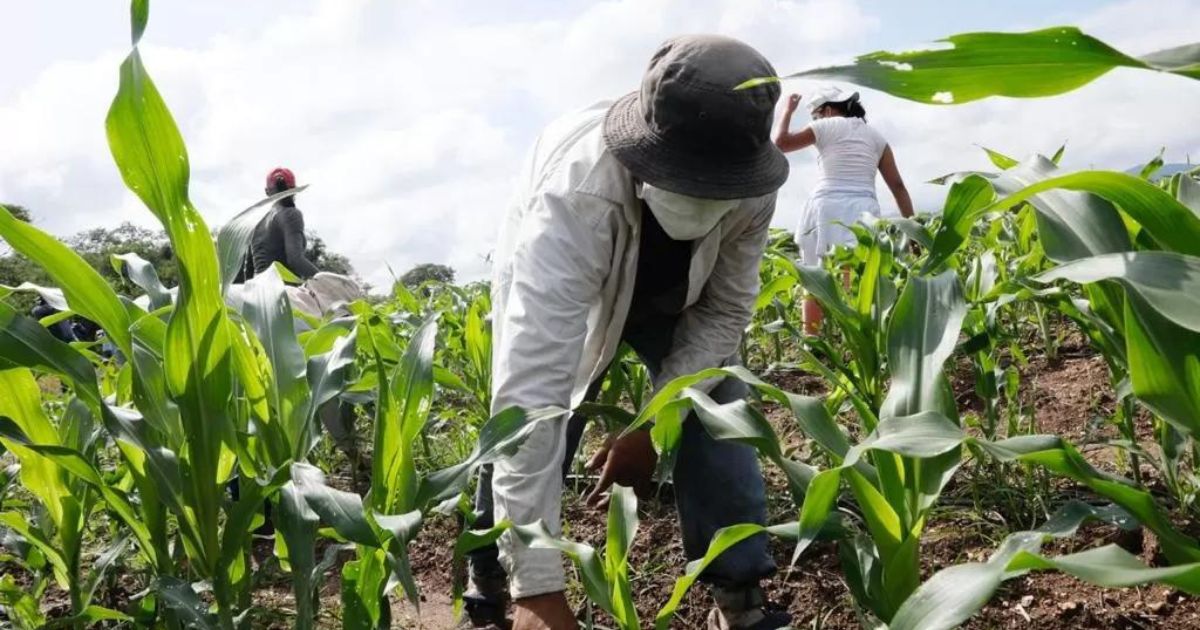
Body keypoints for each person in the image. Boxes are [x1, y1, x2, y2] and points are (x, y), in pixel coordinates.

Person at [465, 35, 793, 630]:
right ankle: (493, 580)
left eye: (711, 184)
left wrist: (651, 428)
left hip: (680, 302)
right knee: (529, 421)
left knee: (717, 409)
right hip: (582, 277)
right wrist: (539, 591)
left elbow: (722, 315)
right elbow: (532, 387)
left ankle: (739, 597)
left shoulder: (754, 187)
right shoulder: (576, 195)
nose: (698, 192)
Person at [773, 87, 914, 334]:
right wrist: (913, 230)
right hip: (864, 211)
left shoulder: (827, 126)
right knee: (858, 278)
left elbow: (781, 143)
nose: (815, 121)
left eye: (816, 116)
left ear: (827, 110)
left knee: (815, 276)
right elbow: (898, 186)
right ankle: (855, 339)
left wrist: (787, 110)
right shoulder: (877, 138)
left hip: (826, 207)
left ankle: (813, 339)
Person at [245, 167, 320, 281]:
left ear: (267, 191)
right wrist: (327, 282)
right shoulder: (291, 214)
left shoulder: (256, 221)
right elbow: (295, 260)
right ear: (294, 190)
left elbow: (247, 268)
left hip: (257, 291)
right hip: (283, 291)